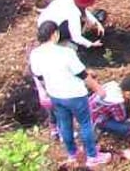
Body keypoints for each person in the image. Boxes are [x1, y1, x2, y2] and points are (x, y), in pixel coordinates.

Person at [30, 21, 111, 167]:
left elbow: (39, 76)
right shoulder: (66, 53)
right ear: (54, 34)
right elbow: (83, 75)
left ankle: (72, 154)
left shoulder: (35, 54)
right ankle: (93, 156)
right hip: (75, 94)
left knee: (65, 124)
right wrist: (99, 89)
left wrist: (48, 90)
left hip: (56, 95)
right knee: (85, 124)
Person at [37, 0, 105, 49]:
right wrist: (91, 44)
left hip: (46, 20)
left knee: (82, 19)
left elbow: (83, 9)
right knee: (80, 23)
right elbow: (76, 37)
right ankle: (60, 42)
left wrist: (97, 23)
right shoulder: (73, 13)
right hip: (49, 30)